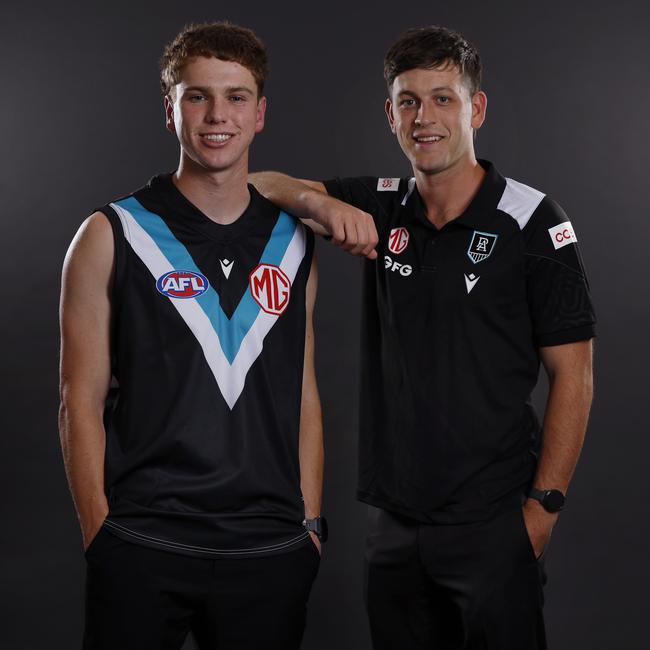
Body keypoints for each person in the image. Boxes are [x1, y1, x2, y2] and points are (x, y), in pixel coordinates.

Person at [250, 25, 595, 650]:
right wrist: (322, 205)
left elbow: (574, 374)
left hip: (495, 520)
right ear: (390, 114)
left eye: (443, 98)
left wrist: (542, 510)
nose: (424, 117)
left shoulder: (533, 219)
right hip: (396, 526)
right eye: (409, 101)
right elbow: (257, 184)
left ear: (476, 109)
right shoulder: (385, 204)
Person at [59, 22, 324, 650]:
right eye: (196, 95)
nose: (216, 115)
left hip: (270, 546)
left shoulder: (295, 241)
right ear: (170, 109)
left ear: (259, 114)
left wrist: (310, 524)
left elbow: (303, 393)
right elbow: (79, 399)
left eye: (235, 97)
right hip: (144, 540)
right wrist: (101, 532)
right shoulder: (110, 233)